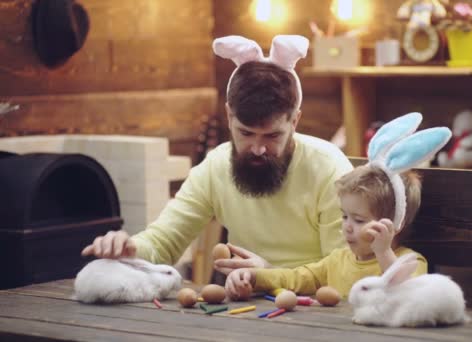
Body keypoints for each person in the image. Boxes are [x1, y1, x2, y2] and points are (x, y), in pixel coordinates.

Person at [81, 35, 353, 272]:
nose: (258, 149)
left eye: (272, 136)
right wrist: (129, 248)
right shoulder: (216, 166)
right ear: (228, 115)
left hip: (314, 312)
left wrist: (272, 274)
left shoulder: (329, 169)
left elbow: (345, 269)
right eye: (245, 133)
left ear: (294, 121)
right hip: (244, 307)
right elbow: (164, 242)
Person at [225, 165, 427, 299]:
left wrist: (383, 253)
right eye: (345, 216)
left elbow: (410, 295)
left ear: (393, 225)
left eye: (358, 220)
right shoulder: (337, 260)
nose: (347, 226)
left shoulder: (410, 262)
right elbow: (297, 278)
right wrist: (254, 277)